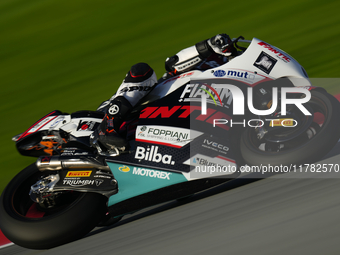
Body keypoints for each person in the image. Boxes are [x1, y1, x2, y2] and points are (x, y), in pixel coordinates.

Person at [92, 33, 238, 152]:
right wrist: (208, 45)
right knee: (142, 71)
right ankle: (107, 128)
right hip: (150, 99)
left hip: (171, 118)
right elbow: (172, 63)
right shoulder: (215, 56)